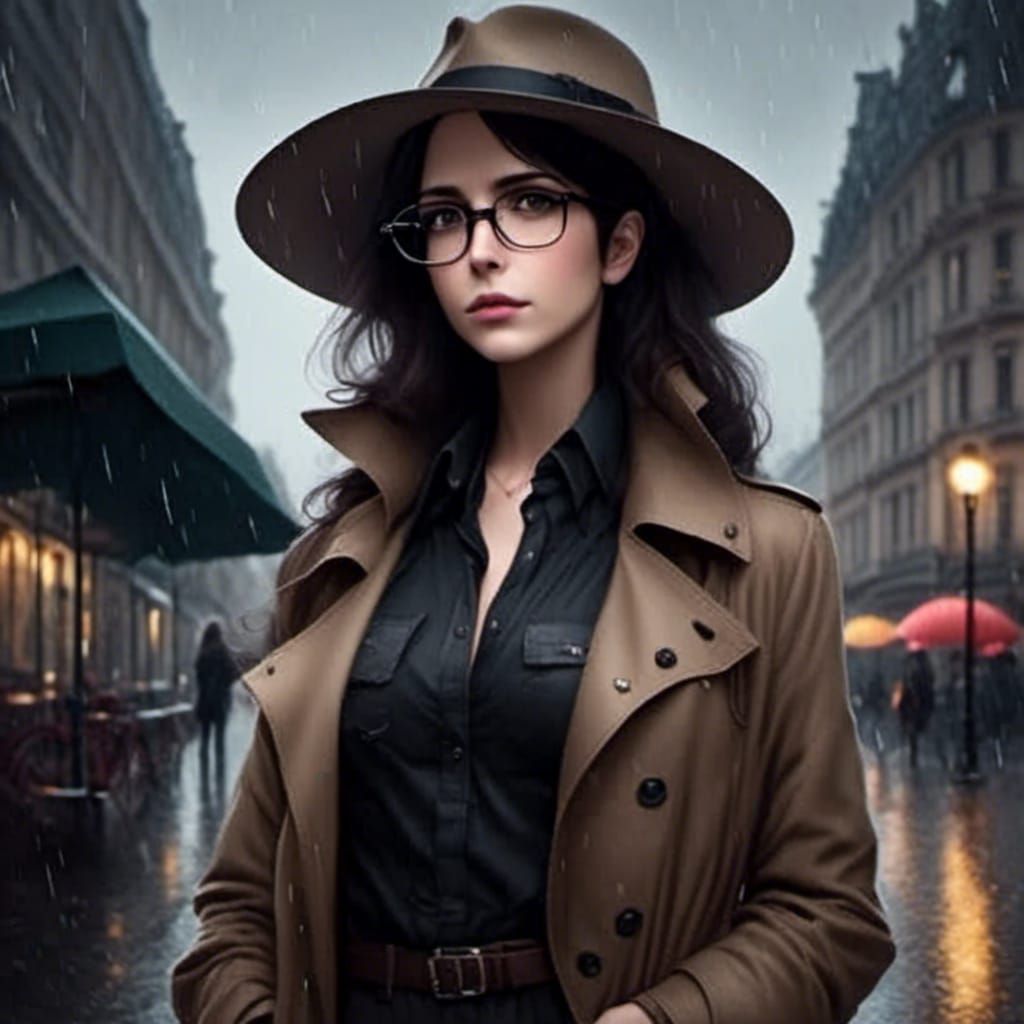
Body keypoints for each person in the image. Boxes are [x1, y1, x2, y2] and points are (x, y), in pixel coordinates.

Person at [170, 7, 895, 1023]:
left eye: (529, 202)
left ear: (621, 244)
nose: (480, 250)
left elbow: (827, 914)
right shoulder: (335, 559)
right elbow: (238, 903)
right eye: (445, 215)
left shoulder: (763, 553)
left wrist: (662, 1020)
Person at [192, 620, 239, 770]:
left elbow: (199, 678)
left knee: (204, 743)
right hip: (220, 704)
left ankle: (204, 779)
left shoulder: (203, 653)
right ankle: (220, 781)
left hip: (205, 703)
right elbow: (234, 674)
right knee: (219, 744)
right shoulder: (224, 653)